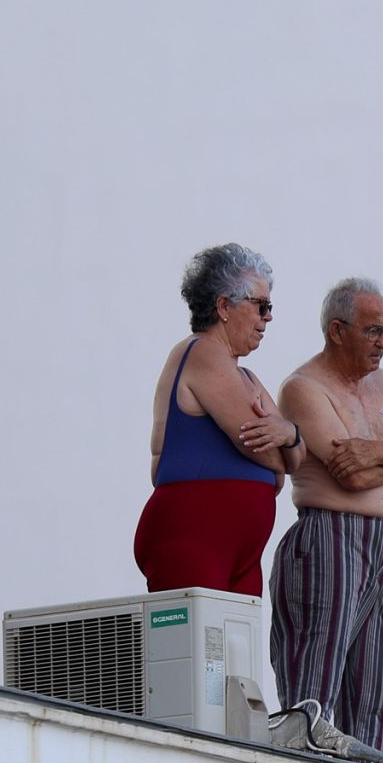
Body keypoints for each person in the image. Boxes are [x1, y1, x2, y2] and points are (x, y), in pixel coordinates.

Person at [270, 278, 383, 754]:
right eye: (372, 331)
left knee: (377, 685)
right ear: (337, 331)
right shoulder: (304, 388)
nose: (382, 342)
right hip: (331, 538)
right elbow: (354, 480)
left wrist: (370, 450)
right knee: (317, 677)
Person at [134, 244, 304, 597]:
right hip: (193, 535)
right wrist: (284, 451)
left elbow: (297, 457)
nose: (268, 317)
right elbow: (254, 444)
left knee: (234, 649)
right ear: (224, 306)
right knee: (195, 648)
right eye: (261, 305)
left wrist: (287, 435)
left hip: (236, 549)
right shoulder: (200, 352)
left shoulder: (248, 378)